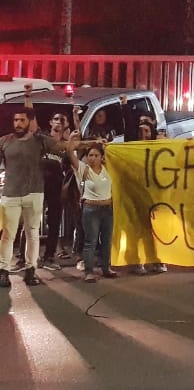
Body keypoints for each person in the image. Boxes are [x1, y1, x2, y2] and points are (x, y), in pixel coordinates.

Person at [1, 105, 80, 288]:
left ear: (29, 122)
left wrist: (88, 143)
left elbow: (67, 146)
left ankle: (31, 270)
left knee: (33, 234)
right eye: (15, 120)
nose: (18, 123)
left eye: (22, 120)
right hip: (11, 194)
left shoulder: (41, 141)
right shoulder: (5, 141)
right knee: (8, 234)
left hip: (35, 193)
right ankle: (3, 271)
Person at [37, 110, 76, 272]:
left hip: (56, 188)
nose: (59, 121)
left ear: (66, 124)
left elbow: (75, 159)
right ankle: (25, 258)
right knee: (30, 222)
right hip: (37, 185)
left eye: (62, 119)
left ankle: (49, 257)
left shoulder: (66, 147)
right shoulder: (41, 139)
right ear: (50, 122)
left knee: (54, 223)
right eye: (56, 118)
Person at [74, 143, 119, 282]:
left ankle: (106, 267)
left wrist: (106, 146)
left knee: (107, 240)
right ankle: (89, 271)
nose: (93, 158)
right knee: (91, 241)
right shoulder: (84, 169)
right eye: (90, 155)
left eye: (96, 155)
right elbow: (70, 152)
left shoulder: (108, 169)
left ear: (102, 157)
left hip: (107, 209)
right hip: (91, 210)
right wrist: (73, 140)